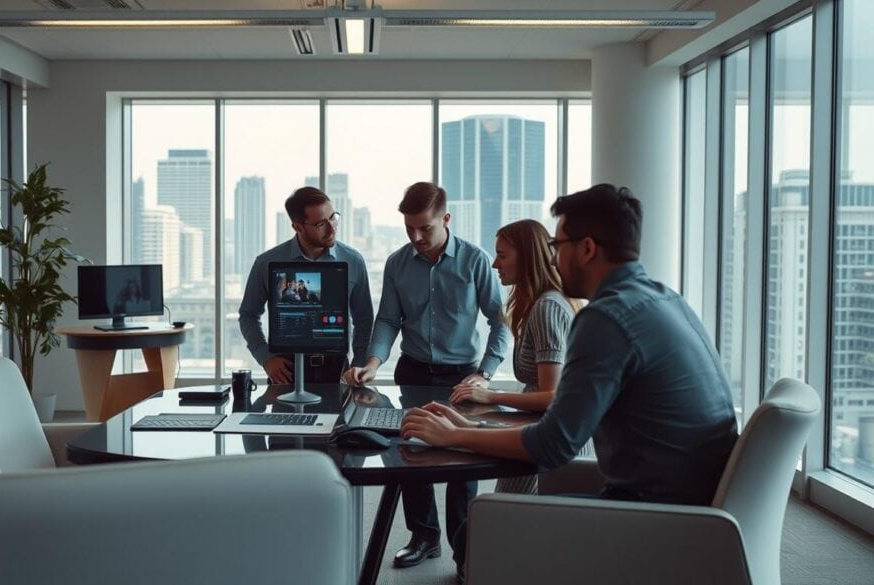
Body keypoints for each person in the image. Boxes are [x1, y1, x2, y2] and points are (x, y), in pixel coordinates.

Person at [400, 184, 739, 582]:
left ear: (587, 249)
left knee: (479, 527)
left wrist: (455, 435)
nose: (553, 257)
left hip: (656, 519)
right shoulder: (666, 299)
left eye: (558, 245)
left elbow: (553, 445)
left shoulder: (606, 319)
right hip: (693, 509)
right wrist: (469, 426)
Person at [343, 181, 507, 571]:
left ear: (446, 219)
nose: (416, 237)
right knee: (409, 454)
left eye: (425, 228)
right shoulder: (398, 263)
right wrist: (372, 363)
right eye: (409, 228)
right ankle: (423, 537)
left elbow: (500, 320)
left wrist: (485, 372)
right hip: (413, 371)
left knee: (461, 463)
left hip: (462, 376)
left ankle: (465, 550)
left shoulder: (476, 260)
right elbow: (387, 320)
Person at [450, 219, 579, 495]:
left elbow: (552, 395)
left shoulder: (547, 308)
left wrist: (491, 396)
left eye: (502, 255)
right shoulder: (540, 304)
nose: (495, 264)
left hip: (546, 443)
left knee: (495, 524)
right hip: (537, 433)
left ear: (528, 258)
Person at [239, 186, 374, 384]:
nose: (332, 228)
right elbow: (249, 315)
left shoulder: (353, 260)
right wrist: (266, 358)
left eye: (333, 217)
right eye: (320, 224)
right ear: (297, 227)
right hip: (286, 370)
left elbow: (364, 319)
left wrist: (359, 363)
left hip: (338, 369)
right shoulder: (266, 263)